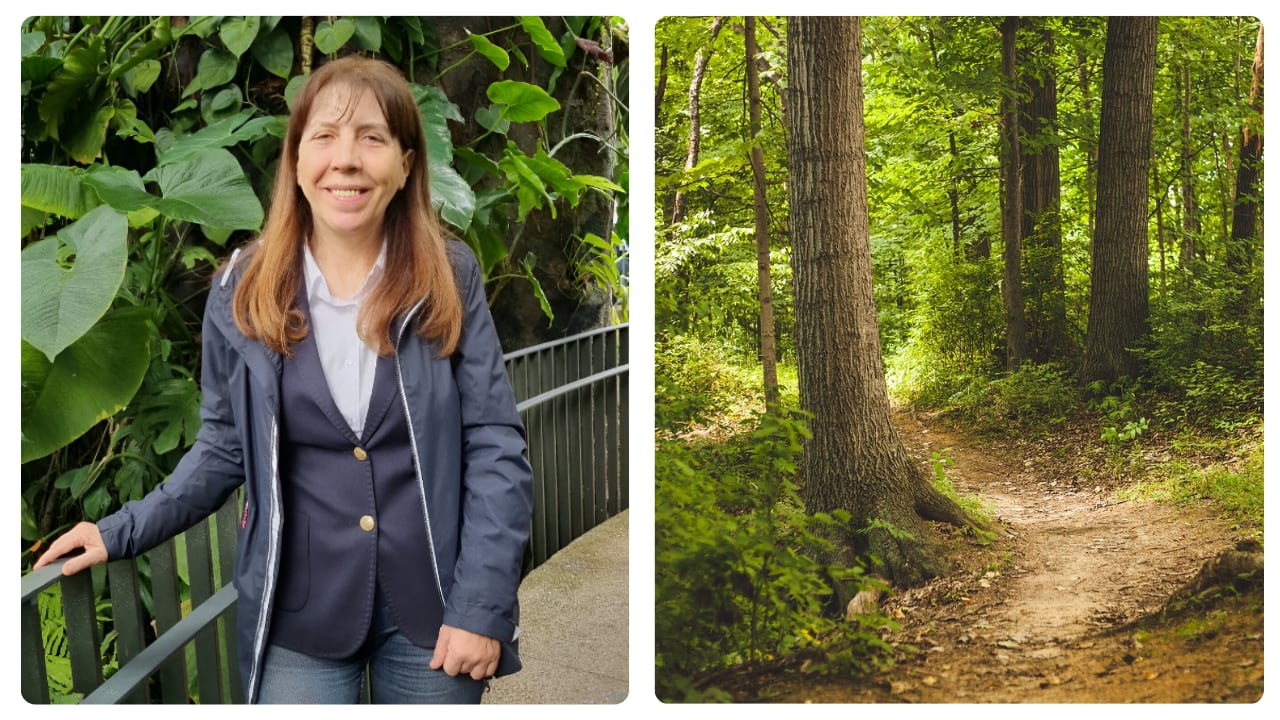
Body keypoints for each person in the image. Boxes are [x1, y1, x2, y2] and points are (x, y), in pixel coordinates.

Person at [34, 55, 534, 705]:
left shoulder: (450, 275)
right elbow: (222, 448)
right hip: (302, 612)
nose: (346, 159)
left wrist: (481, 607)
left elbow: (495, 446)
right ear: (296, 163)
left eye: (373, 138)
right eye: (323, 137)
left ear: (407, 164)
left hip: (434, 609)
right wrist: (118, 530)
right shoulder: (242, 290)